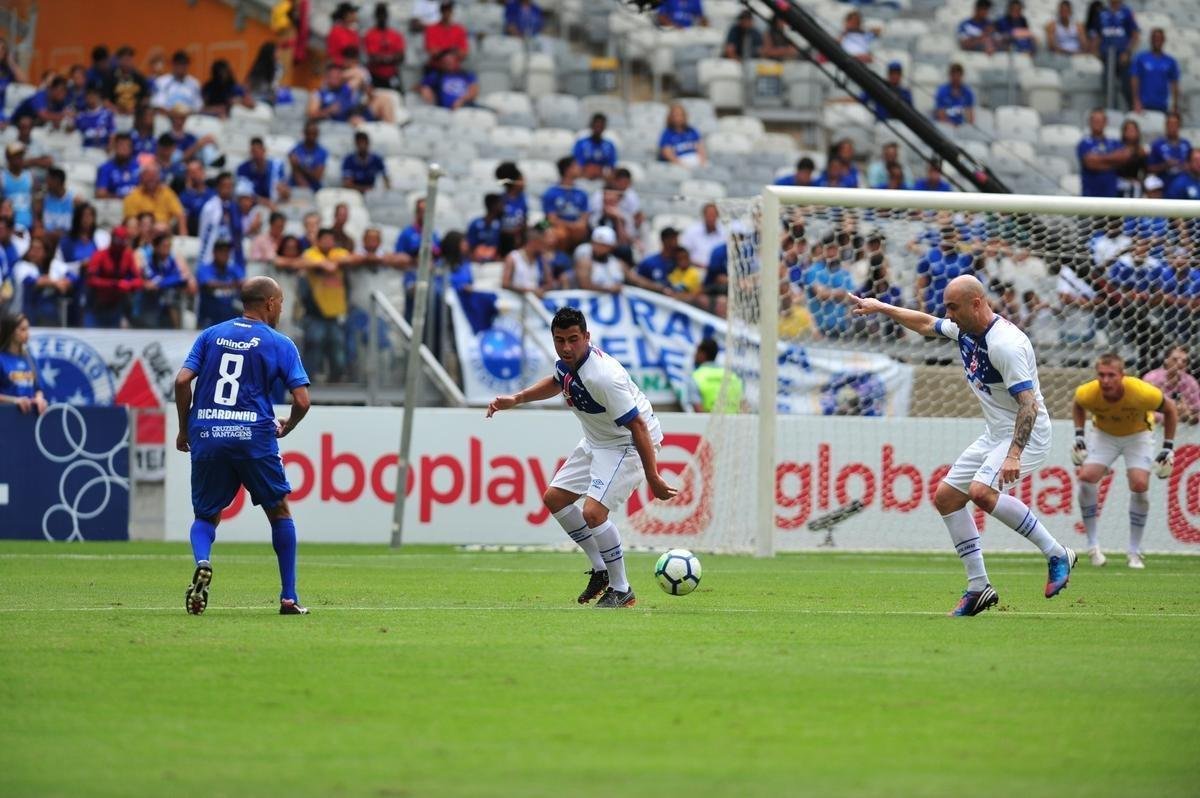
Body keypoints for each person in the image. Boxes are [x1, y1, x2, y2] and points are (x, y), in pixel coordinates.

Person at [850, 276, 1077, 615]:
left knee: (982, 492)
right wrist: (881, 307)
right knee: (947, 498)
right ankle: (979, 587)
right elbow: (926, 323)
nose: (948, 314)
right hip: (996, 433)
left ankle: (1057, 552)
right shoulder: (966, 330)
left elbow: (1028, 405)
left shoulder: (1005, 345)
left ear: (976, 303)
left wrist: (1014, 453)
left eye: (953, 307)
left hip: (1027, 433)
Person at [487, 306, 677, 608]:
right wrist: (518, 398)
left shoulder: (604, 377)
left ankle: (622, 588)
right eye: (559, 340)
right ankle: (601, 570)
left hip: (626, 443)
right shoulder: (567, 362)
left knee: (593, 514)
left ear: (587, 337)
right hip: (597, 441)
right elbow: (557, 379)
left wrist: (652, 476)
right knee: (555, 498)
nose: (566, 347)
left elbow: (638, 426)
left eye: (573, 339)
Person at [174, 275, 312, 616]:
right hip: (253, 436)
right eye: (279, 301)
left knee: (206, 515)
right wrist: (289, 425)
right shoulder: (279, 343)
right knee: (279, 511)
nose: (281, 307)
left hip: (207, 431)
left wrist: (184, 429)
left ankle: (203, 561)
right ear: (268, 304)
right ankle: (289, 598)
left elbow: (181, 381)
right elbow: (303, 400)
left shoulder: (211, 335)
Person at [1072, 353, 1177, 568]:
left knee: (1139, 484)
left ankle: (1134, 550)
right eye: (1101, 375)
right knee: (1086, 477)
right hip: (1104, 435)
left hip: (1138, 436)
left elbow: (1170, 409)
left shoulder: (1142, 392)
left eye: (1111, 375)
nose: (1105, 380)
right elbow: (1077, 405)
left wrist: (1168, 448)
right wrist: (1079, 436)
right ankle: (1093, 545)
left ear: (1122, 375)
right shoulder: (1088, 392)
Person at [299, 228, 350, 381]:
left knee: (338, 351)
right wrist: (327, 264)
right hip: (315, 313)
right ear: (318, 240)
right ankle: (307, 383)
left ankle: (336, 382)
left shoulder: (338, 252)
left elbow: (350, 259)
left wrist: (330, 263)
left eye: (330, 239)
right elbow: (308, 261)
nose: (328, 242)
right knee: (313, 347)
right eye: (325, 239)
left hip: (335, 314)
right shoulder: (310, 253)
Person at [86, 225, 143, 328]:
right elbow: (90, 280)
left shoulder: (128, 256)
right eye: (118, 241)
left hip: (116, 305)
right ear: (112, 239)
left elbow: (138, 280)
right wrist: (113, 284)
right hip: (96, 303)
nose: (120, 245)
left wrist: (128, 285)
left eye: (123, 241)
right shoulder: (100, 255)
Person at [0, 312, 47, 414]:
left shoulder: (31, 359)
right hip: (5, 416)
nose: (27, 333)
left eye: (27, 329)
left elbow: (38, 388)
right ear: (11, 332)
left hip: (28, 417)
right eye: (22, 329)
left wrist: (39, 398)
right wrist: (15, 401)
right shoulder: (1, 359)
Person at [123, 162, 188, 233]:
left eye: (154, 175)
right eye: (148, 176)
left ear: (159, 177)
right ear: (141, 177)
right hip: (141, 230)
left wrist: (183, 238)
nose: (151, 179)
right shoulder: (133, 195)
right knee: (133, 223)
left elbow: (180, 214)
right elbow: (130, 218)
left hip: (162, 231)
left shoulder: (167, 192)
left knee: (162, 227)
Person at [198, 172, 245, 269]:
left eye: (230, 186)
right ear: (218, 187)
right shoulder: (210, 207)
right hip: (213, 252)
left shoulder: (234, 207)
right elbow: (204, 233)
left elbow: (238, 232)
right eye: (225, 186)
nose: (228, 189)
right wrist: (204, 258)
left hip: (232, 252)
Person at [1143, 346, 1200, 426]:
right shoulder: (1151, 379)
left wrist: (1188, 411)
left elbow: (1197, 408)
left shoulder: (1190, 381)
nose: (1180, 363)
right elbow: (1143, 409)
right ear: (1166, 360)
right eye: (1175, 359)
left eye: (1184, 361)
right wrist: (1172, 414)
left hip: (1184, 429)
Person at [542, 157, 590, 251]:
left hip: (576, 229)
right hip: (558, 227)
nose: (579, 168)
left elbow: (584, 217)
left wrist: (577, 226)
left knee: (582, 231)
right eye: (576, 166)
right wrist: (572, 226)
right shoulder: (552, 192)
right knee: (560, 234)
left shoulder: (581, 192)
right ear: (568, 170)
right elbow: (551, 219)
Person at [1130, 28, 1179, 115]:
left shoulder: (1170, 61)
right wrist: (1136, 100)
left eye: (1160, 38)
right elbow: (1135, 80)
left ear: (1164, 40)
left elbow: (1174, 83)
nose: (1157, 41)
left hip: (1163, 105)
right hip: (1144, 105)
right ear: (1151, 40)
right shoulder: (1141, 58)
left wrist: (1175, 104)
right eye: (1155, 38)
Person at [1077, 108, 1125, 198]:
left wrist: (1099, 159)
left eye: (1100, 121)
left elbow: (1123, 158)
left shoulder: (1114, 142)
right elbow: (1090, 163)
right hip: (1090, 196)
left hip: (1111, 195)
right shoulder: (1084, 143)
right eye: (1095, 121)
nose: (1097, 124)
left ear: (1106, 122)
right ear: (1090, 122)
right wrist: (1113, 162)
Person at [688, 337, 741, 413]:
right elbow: (743, 407)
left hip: (709, 424)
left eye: (697, 352)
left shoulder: (696, 377)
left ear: (703, 354)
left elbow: (699, 413)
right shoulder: (733, 376)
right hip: (733, 424)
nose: (694, 356)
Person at [364, 2, 406, 90]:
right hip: (375, 75)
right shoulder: (370, 34)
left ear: (387, 16)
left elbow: (401, 57)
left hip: (392, 74)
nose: (382, 17)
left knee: (399, 97)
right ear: (376, 16)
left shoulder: (395, 34)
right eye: (380, 15)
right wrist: (391, 58)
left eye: (384, 14)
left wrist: (384, 58)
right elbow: (373, 58)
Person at [501, 225, 550, 295]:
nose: (543, 247)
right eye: (541, 244)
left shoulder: (541, 259)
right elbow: (505, 283)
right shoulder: (513, 257)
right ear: (533, 242)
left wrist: (541, 289)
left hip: (534, 301)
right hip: (515, 300)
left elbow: (549, 283)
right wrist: (527, 290)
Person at [1146, 111, 1192, 185]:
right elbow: (1149, 168)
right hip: (1164, 183)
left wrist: (1187, 167)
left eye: (1175, 124)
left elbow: (1192, 165)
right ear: (1166, 125)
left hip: (1184, 184)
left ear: (1179, 125)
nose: (1172, 127)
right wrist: (1165, 165)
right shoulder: (1157, 144)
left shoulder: (1186, 144)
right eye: (1170, 124)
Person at [680, 203, 726, 269]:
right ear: (703, 215)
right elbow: (682, 255)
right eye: (709, 215)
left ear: (718, 216)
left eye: (713, 215)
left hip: (717, 272)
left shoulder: (724, 232)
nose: (711, 218)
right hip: (695, 271)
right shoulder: (691, 231)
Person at [572, 113, 618, 180]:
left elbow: (612, 167)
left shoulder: (609, 145)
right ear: (591, 126)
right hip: (583, 178)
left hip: (602, 179)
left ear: (604, 127)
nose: (598, 129)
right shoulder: (581, 143)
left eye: (601, 126)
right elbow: (577, 164)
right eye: (596, 126)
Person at [95, 133, 141, 199]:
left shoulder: (138, 167)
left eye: (127, 146)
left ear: (131, 149)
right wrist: (123, 198)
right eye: (121, 145)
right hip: (114, 204)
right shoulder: (105, 168)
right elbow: (100, 193)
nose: (124, 149)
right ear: (115, 147)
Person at [105, 46, 149, 114]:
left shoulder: (139, 77)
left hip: (135, 114)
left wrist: (137, 110)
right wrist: (116, 110)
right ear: (119, 60)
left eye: (130, 59)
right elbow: (106, 101)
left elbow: (145, 99)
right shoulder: (110, 77)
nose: (127, 62)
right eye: (125, 59)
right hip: (116, 114)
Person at [2, 143, 34, 231]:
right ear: (8, 158)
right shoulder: (2, 177)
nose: (20, 159)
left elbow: (33, 204)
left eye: (21, 156)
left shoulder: (29, 176)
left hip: (28, 225)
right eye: (16, 157)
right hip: (9, 228)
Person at [289, 120, 329, 191]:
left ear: (318, 134)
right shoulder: (296, 150)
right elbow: (295, 172)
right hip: (296, 187)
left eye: (314, 134)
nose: (311, 136)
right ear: (304, 133)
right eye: (309, 133)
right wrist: (304, 188)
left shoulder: (322, 152)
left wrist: (299, 166)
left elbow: (317, 176)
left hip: (315, 188)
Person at [466, 194, 503, 262]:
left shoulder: (501, 225)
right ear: (493, 206)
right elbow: (470, 247)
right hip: (477, 262)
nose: (502, 207)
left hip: (495, 262)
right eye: (500, 204)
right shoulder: (475, 224)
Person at [327, 2, 361, 66]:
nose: (355, 15)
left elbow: (356, 53)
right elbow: (332, 55)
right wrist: (344, 63)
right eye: (352, 12)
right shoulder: (336, 31)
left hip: (352, 66)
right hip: (338, 67)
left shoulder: (354, 32)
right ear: (345, 15)